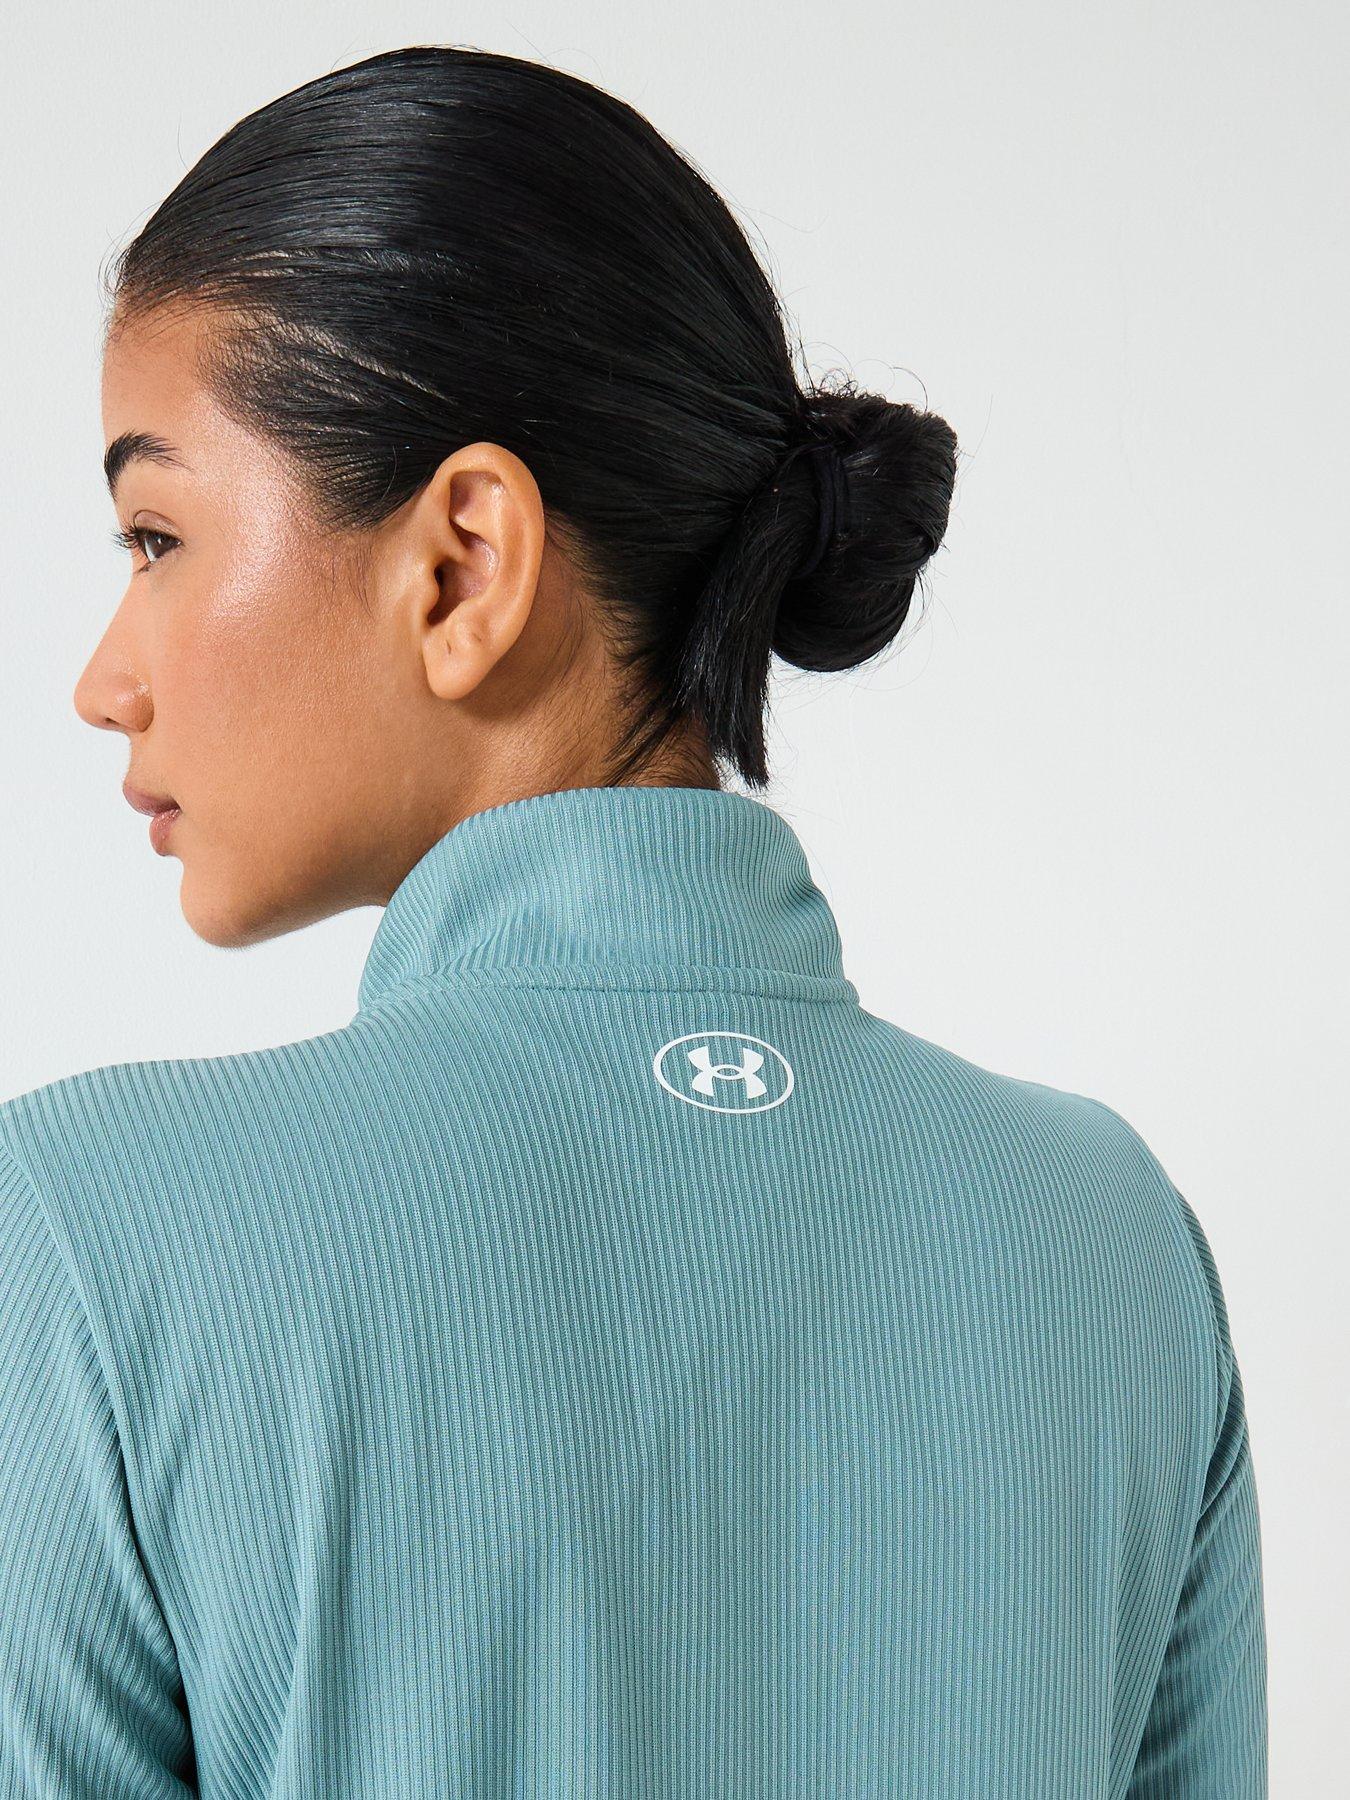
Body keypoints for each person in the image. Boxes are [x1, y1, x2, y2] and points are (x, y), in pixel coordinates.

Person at [0, 43, 1265, 1800]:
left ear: (463, 563)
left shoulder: (81, 1239)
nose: (103, 680)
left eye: (154, 536)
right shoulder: (1113, 1241)